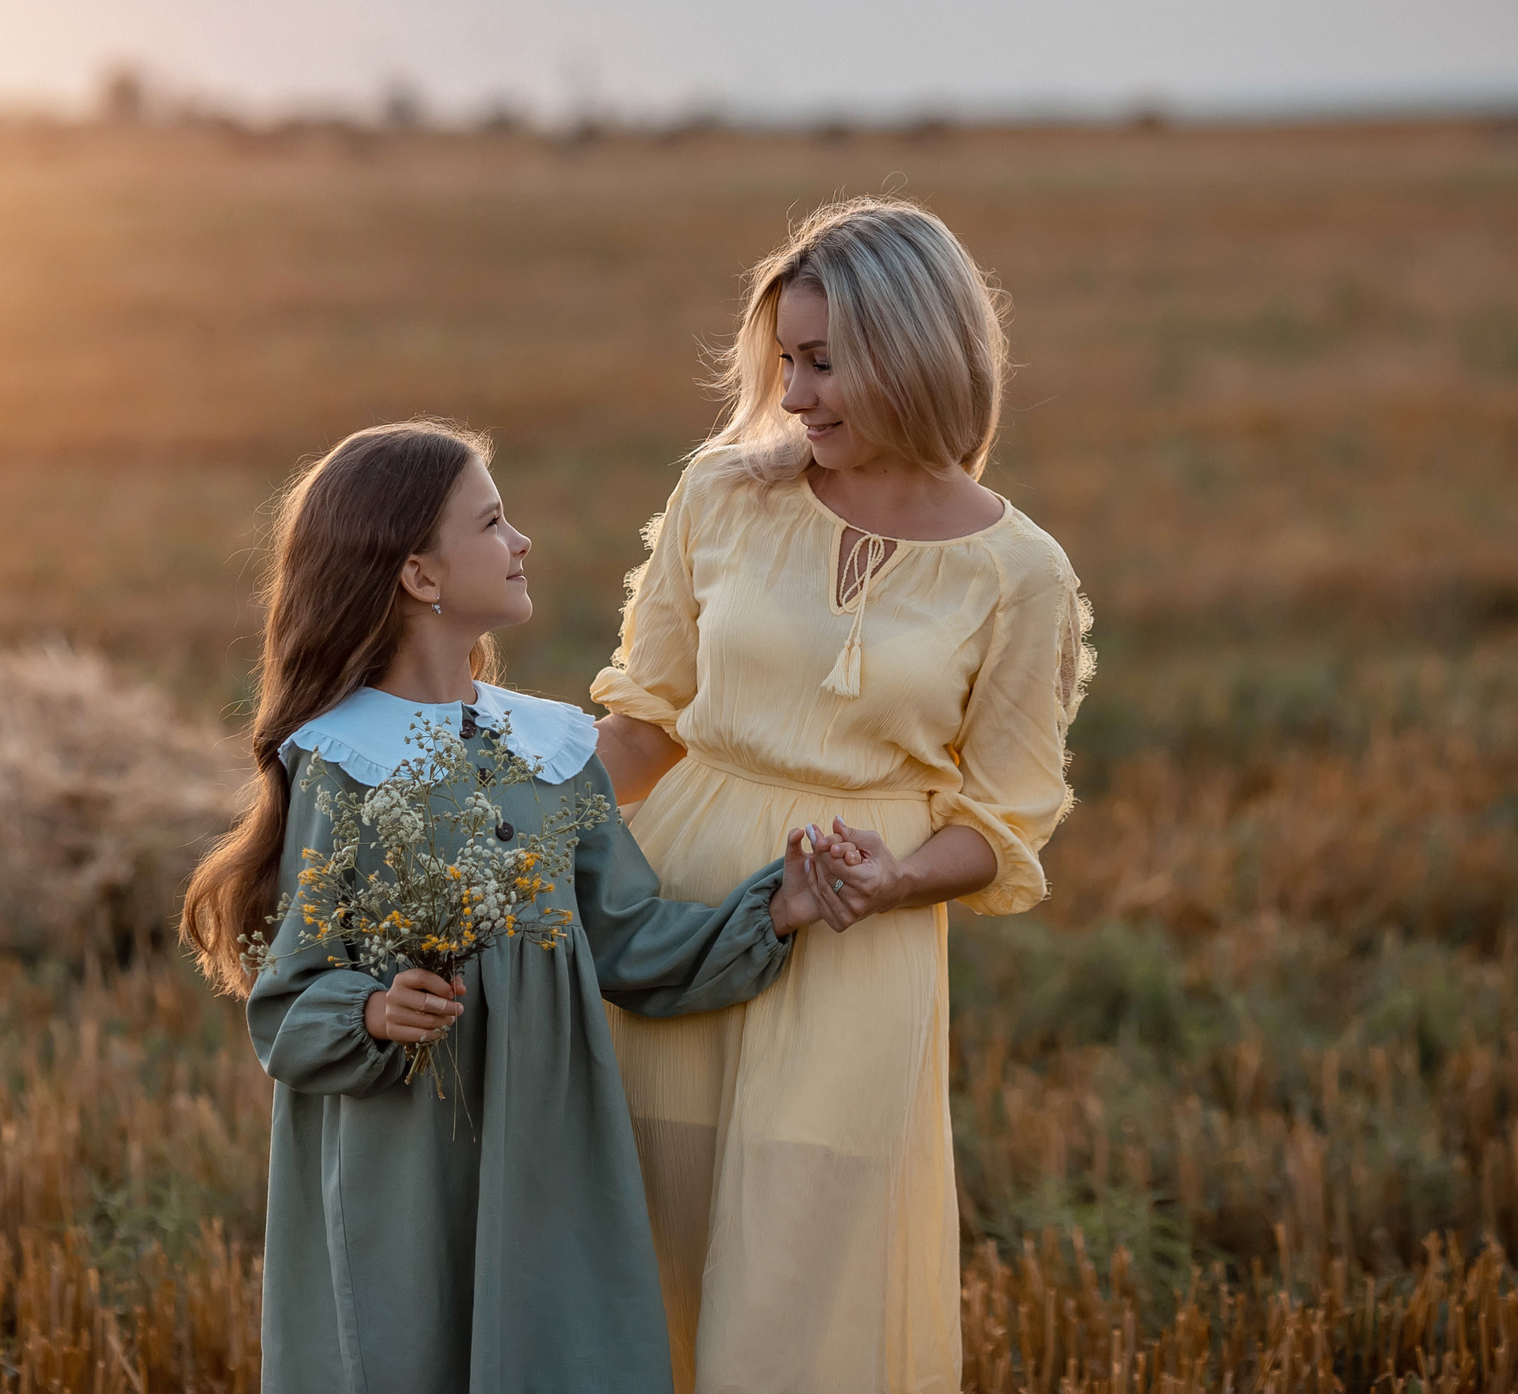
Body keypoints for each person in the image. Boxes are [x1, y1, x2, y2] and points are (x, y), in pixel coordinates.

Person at [180, 418, 872, 1394]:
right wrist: (372, 1010)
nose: (521, 541)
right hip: (407, 1160)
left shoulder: (548, 747)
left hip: (548, 1146)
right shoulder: (345, 762)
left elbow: (627, 940)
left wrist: (778, 907)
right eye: (492, 522)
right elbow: (289, 1001)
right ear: (419, 574)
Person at [594, 199, 1094, 1394]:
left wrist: (896, 879)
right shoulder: (722, 495)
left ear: (914, 353)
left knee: (800, 1274)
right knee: (655, 1245)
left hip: (855, 945)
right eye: (786, 361)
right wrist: (510, 849)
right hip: (678, 913)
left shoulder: (1020, 574)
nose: (796, 395)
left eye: (824, 362)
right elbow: (644, 723)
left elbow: (1004, 820)